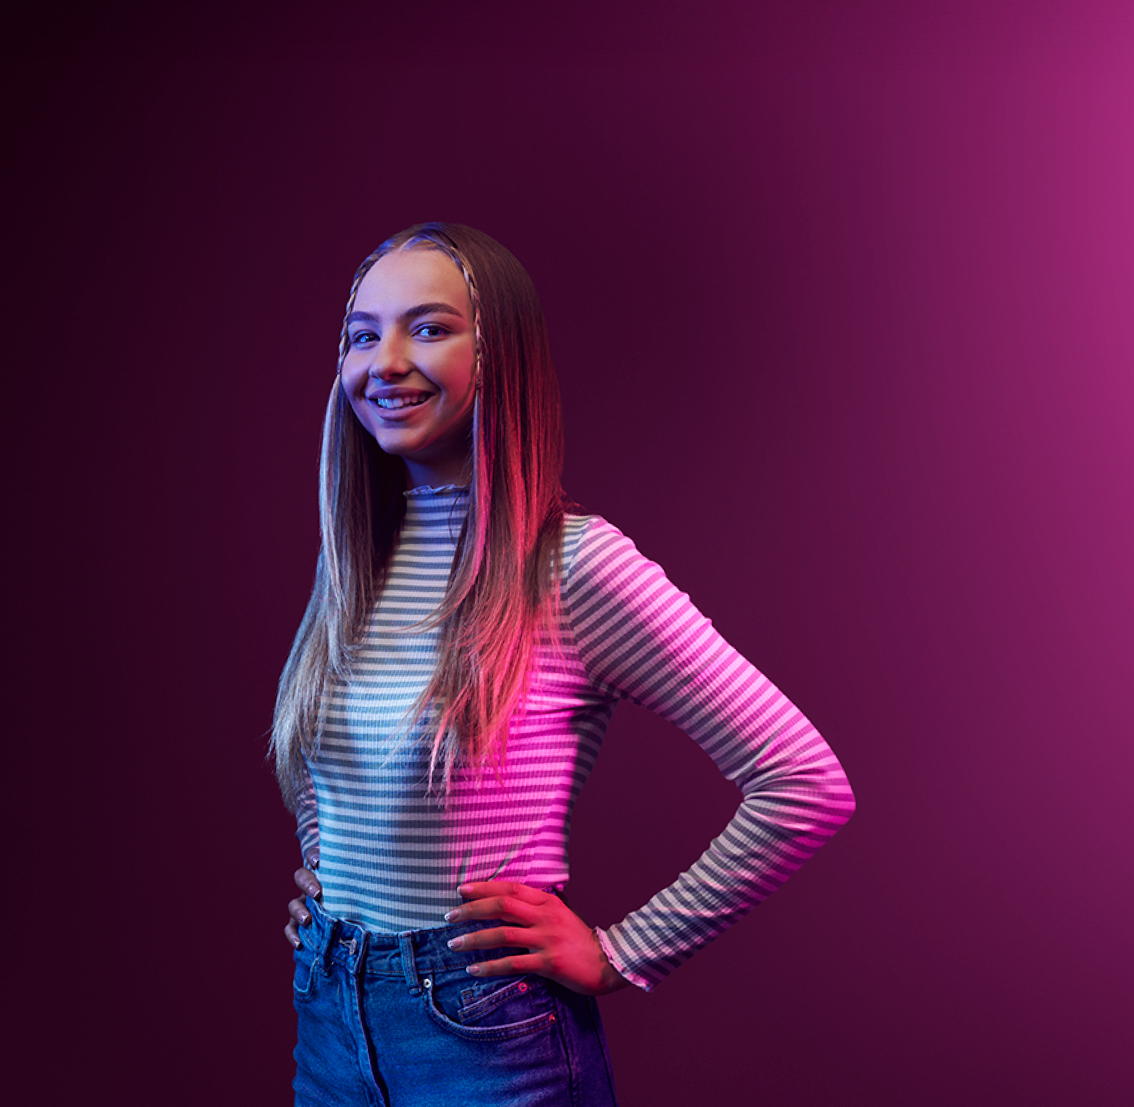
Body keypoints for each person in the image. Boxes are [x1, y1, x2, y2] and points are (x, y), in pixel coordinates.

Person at [272, 222, 855, 1106]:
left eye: (428, 328)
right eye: (361, 333)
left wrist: (621, 951)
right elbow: (322, 759)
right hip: (329, 1016)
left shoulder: (574, 566)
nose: (383, 361)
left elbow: (805, 781)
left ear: (499, 355)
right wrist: (336, 888)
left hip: (484, 1032)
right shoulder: (352, 562)